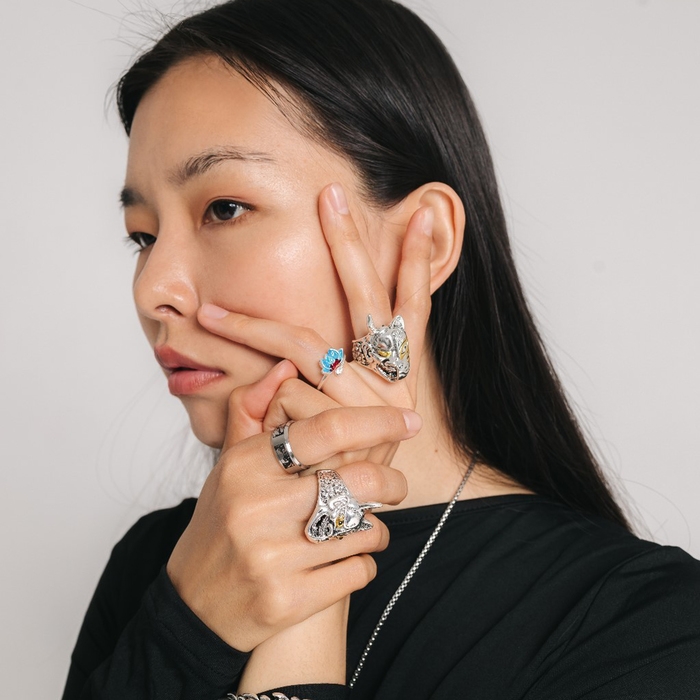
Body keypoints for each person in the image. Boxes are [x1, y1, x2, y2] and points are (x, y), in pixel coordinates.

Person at [62, 0, 700, 698]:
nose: (153, 289)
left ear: (422, 241)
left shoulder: (645, 623)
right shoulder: (163, 564)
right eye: (143, 234)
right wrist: (189, 623)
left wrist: (320, 546)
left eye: (225, 209)